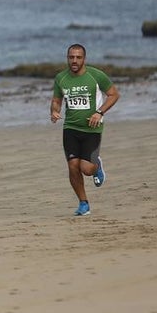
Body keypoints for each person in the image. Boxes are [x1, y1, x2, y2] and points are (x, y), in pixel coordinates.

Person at [50, 44, 120, 217]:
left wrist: (100, 112)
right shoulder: (61, 78)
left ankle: (96, 167)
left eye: (78, 57)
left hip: (92, 129)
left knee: (86, 169)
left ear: (84, 59)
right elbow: (56, 100)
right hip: (70, 128)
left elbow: (114, 94)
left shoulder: (95, 76)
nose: (74, 61)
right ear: (67, 58)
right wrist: (54, 110)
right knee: (73, 166)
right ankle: (83, 203)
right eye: (71, 57)